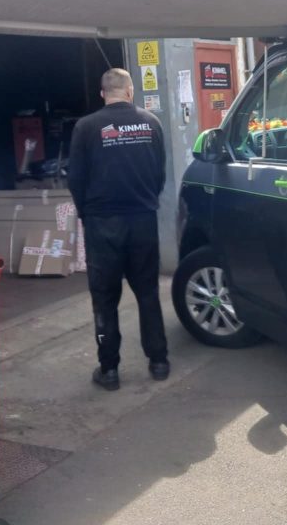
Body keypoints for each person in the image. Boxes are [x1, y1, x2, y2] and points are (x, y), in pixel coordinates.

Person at [67, 68, 170, 391]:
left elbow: (76, 178)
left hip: (102, 224)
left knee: (104, 299)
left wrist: (87, 212)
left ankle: (108, 369)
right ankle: (159, 361)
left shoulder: (85, 127)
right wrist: (146, 199)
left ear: (102, 93)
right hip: (142, 219)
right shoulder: (151, 123)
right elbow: (159, 172)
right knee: (148, 293)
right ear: (130, 91)